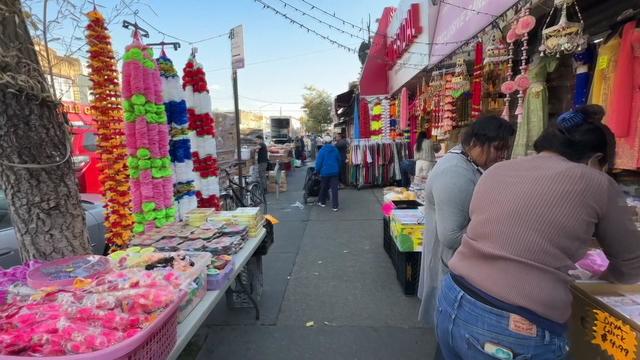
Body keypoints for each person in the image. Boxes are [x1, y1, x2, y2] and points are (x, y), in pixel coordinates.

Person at [436, 105, 640, 359]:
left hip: (453, 297)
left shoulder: (497, 171)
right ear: (596, 159)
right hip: (512, 326)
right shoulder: (598, 183)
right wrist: (602, 279)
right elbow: (631, 264)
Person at [418, 115, 515, 327]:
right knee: (453, 329)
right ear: (474, 143)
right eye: (497, 148)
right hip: (453, 264)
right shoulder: (456, 172)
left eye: (505, 149)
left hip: (458, 264)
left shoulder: (464, 163)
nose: (502, 156)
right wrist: (497, 223)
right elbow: (452, 237)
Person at [315, 136, 341, 211]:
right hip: (334, 172)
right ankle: (335, 206)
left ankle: (322, 202)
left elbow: (319, 163)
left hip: (325, 172)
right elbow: (339, 160)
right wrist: (338, 169)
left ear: (324, 142)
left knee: (324, 187)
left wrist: (317, 171)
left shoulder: (322, 151)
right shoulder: (335, 150)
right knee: (334, 189)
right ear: (331, 142)